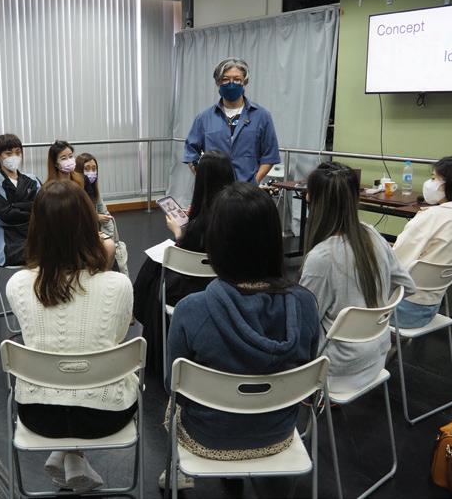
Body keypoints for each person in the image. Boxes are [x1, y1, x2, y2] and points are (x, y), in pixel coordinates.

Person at [164, 182, 319, 489]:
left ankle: (177, 474)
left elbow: (174, 386)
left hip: (208, 437)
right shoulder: (305, 304)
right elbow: (307, 368)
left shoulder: (191, 310)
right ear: (273, 240)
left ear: (216, 243)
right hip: (277, 434)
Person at [5, 180, 135, 493]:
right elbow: (114, 338)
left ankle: (68, 453)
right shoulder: (118, 285)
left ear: (36, 228)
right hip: (106, 414)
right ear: (90, 225)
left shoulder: (18, 284)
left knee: (65, 376)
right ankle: (73, 456)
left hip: (38, 413)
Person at [299, 162, 415, 393]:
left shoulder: (321, 258)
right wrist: (369, 312)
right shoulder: (372, 235)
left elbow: (304, 326)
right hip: (376, 359)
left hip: (335, 372)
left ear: (315, 200)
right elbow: (407, 286)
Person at [133, 151, 235, 374]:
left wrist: (179, 231)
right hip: (228, 283)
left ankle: (142, 326)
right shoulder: (234, 213)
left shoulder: (200, 224)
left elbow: (188, 249)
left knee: (152, 271)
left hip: (193, 288)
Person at [392, 156, 452, 328]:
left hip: (399, 310)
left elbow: (394, 264)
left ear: (447, 185)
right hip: (430, 309)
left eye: (433, 178)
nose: (429, 183)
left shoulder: (431, 217)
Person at [183, 57, 280, 183]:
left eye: (237, 79)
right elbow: (190, 153)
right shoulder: (204, 118)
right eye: (225, 79)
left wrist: (254, 182)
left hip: (246, 189)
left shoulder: (262, 116)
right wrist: (203, 179)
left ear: (245, 82)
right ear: (218, 82)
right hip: (214, 189)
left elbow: (270, 155)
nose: (231, 83)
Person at [46, 140, 115, 266]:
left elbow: (89, 210)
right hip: (62, 235)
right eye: (63, 158)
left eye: (70, 156)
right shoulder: (49, 188)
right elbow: (53, 220)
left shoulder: (83, 180)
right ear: (55, 163)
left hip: (84, 231)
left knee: (109, 248)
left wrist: (91, 233)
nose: (69, 160)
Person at [0, 134, 40, 266]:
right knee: (37, 254)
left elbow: (42, 208)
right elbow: (4, 215)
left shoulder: (32, 180)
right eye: (8, 153)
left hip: (34, 233)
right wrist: (29, 207)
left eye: (18, 152)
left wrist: (14, 206)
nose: (14, 156)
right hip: (8, 241)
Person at [75, 152, 129, 276]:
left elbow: (105, 214)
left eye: (94, 169)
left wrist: (110, 238)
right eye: (87, 168)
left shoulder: (94, 190)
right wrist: (95, 217)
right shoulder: (76, 193)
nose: (91, 172)